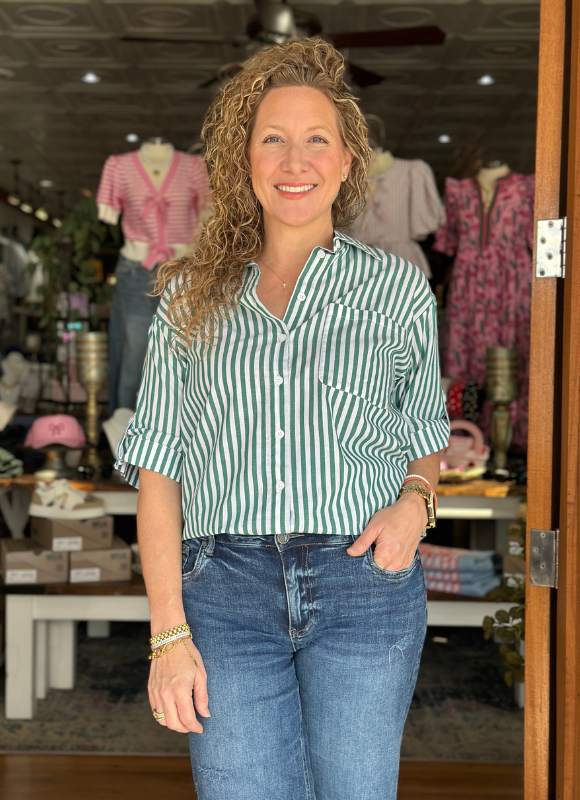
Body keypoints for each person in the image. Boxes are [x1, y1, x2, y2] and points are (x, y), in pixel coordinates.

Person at [115, 39, 450, 800]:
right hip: (223, 595)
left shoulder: (397, 293)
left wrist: (415, 505)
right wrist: (168, 634)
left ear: (344, 160)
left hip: (364, 581)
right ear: (245, 161)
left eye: (315, 140)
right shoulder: (189, 298)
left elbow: (425, 436)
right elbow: (159, 468)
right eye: (273, 139)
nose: (294, 160)